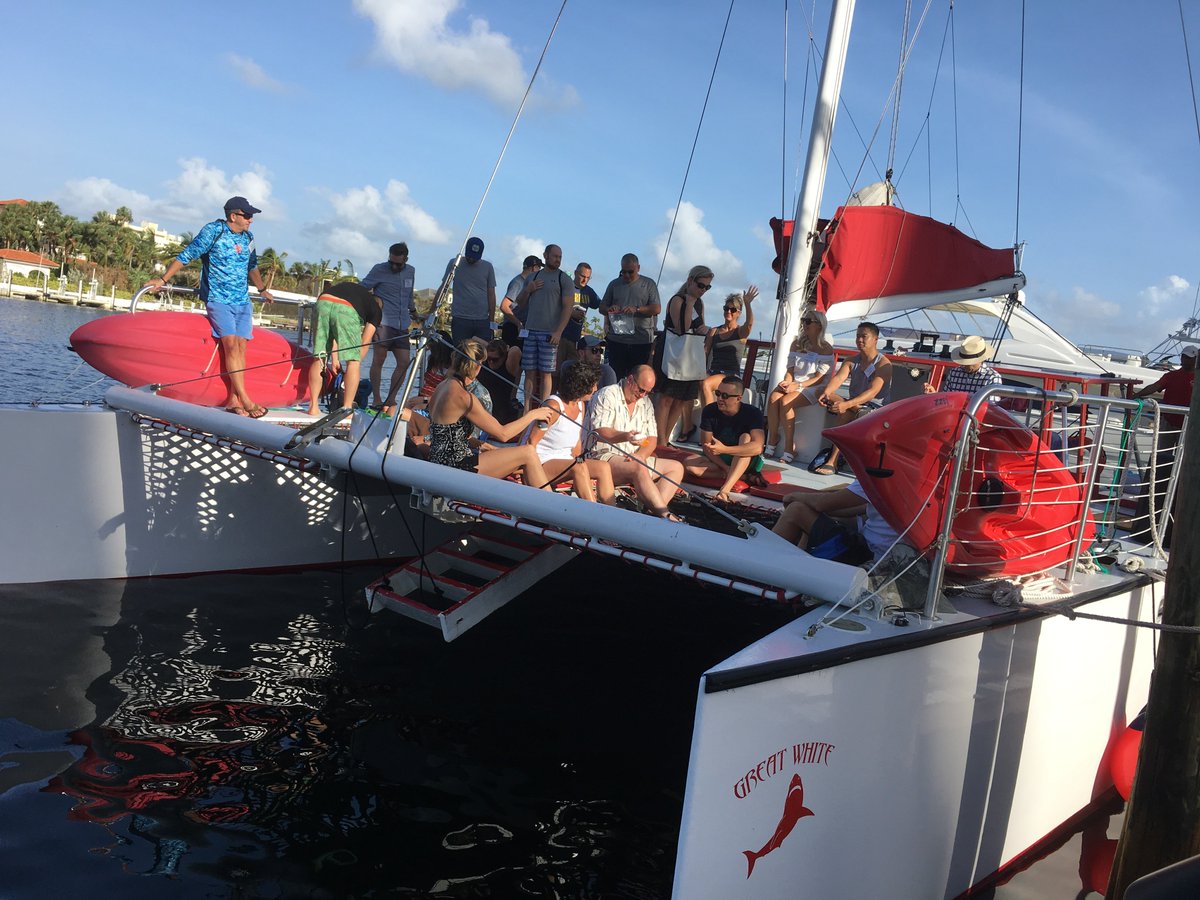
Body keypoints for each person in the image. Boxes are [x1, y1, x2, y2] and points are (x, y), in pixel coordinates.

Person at [145, 196, 274, 417]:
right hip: (218, 298)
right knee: (231, 345)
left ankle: (234, 400)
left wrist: (262, 289)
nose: (251, 220)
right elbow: (187, 255)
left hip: (242, 301)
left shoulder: (248, 238)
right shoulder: (214, 231)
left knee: (242, 347)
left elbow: (252, 266)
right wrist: (163, 280)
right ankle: (246, 399)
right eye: (247, 216)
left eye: (252, 216)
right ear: (233, 216)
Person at [426, 339, 554, 483]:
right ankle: (551, 503)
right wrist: (533, 414)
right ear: (477, 365)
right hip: (456, 466)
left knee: (512, 457)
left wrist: (480, 444)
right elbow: (503, 434)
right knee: (528, 452)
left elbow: (444, 431)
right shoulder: (464, 397)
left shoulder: (442, 386)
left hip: (437, 459)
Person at [586, 365, 687, 521]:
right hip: (602, 456)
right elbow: (601, 432)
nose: (643, 395)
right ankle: (665, 515)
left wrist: (641, 455)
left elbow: (652, 439)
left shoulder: (645, 402)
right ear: (630, 380)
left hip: (631, 458)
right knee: (638, 467)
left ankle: (651, 515)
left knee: (676, 468)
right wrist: (626, 436)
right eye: (641, 390)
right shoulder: (607, 394)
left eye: (648, 392)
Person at [526, 361, 616, 504]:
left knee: (603, 467)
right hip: (541, 463)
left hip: (567, 462)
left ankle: (613, 514)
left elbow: (576, 446)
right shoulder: (554, 406)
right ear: (581, 386)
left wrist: (582, 461)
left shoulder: (580, 405)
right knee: (578, 467)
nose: (596, 388)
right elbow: (530, 443)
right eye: (593, 385)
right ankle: (595, 515)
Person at [815, 322, 893, 475]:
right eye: (857, 336)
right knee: (820, 391)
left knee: (845, 412)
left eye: (864, 336)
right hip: (855, 405)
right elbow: (838, 379)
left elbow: (872, 392)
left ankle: (832, 461)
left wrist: (847, 404)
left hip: (874, 409)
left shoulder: (884, 364)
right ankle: (833, 462)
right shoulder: (851, 361)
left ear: (875, 339)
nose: (859, 340)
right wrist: (826, 393)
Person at [683, 374, 768, 502]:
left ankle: (725, 490)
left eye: (725, 396)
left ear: (738, 398)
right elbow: (707, 447)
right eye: (718, 393)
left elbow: (757, 448)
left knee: (745, 437)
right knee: (689, 466)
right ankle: (742, 476)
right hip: (721, 458)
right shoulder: (709, 411)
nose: (719, 399)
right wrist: (725, 466)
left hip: (746, 458)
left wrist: (724, 450)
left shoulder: (753, 413)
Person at [764, 309, 834, 463]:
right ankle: (773, 437)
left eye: (808, 321)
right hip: (795, 383)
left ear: (819, 325)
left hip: (814, 387)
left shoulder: (826, 349)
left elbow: (818, 379)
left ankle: (790, 447)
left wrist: (798, 385)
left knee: (785, 401)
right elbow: (790, 371)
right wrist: (788, 382)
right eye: (803, 320)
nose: (804, 324)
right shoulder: (796, 344)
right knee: (774, 397)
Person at [655, 265, 713, 446]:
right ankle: (661, 440)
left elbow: (697, 327)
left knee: (680, 400)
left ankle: (666, 437)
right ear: (690, 281)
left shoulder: (699, 303)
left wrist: (705, 329)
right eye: (701, 285)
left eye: (707, 287)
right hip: (673, 354)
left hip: (688, 357)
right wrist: (689, 303)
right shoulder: (677, 300)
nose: (703, 290)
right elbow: (682, 328)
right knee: (666, 398)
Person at [305, 281, 381, 416]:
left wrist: (335, 359)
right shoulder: (376, 310)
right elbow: (364, 343)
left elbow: (334, 333)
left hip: (323, 301)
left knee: (320, 357)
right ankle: (346, 409)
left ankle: (313, 407)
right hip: (346, 309)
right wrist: (352, 367)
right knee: (353, 362)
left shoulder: (355, 291)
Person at [515, 244, 574, 412]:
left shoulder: (564, 279)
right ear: (546, 256)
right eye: (555, 256)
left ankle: (543, 409)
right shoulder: (533, 277)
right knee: (529, 371)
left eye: (560, 257)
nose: (558, 260)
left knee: (546, 372)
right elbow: (519, 302)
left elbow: (568, 308)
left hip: (550, 333)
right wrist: (528, 290)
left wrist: (558, 332)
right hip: (531, 330)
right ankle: (526, 409)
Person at [361, 242, 417, 410]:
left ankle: (391, 399)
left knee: (404, 361)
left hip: (402, 323)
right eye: (391, 261)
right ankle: (377, 399)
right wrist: (373, 303)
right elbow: (362, 287)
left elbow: (409, 295)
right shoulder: (379, 269)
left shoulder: (411, 271)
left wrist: (414, 311)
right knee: (379, 359)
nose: (393, 266)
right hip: (383, 321)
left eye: (398, 263)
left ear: (406, 259)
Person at [600, 253, 661, 379]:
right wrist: (610, 309)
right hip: (617, 341)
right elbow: (602, 307)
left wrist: (637, 309)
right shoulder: (614, 284)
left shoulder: (649, 284)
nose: (627, 275)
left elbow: (657, 308)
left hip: (641, 342)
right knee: (615, 378)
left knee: (637, 379)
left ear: (638, 268)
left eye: (630, 272)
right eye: (624, 272)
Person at [445, 236, 497, 345]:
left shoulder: (488, 267)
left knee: (482, 354)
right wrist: (432, 311)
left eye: (475, 257)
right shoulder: (454, 264)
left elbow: (491, 294)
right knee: (460, 352)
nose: (471, 259)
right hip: (460, 319)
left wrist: (491, 321)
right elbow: (443, 287)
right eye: (470, 256)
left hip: (482, 320)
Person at [558, 262, 602, 372]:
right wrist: (571, 313)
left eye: (588, 277)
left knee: (572, 373)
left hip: (575, 339)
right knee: (555, 373)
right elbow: (553, 307)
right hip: (560, 337)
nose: (584, 280)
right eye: (582, 276)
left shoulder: (589, 291)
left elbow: (600, 305)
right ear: (575, 273)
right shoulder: (565, 287)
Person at [923, 335, 1003, 396]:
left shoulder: (992, 377)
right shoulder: (954, 372)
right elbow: (946, 399)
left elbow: (991, 408)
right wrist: (934, 395)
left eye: (970, 362)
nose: (966, 365)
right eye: (964, 362)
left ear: (981, 360)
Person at [477, 338, 524, 426]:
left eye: (495, 359)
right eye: (488, 358)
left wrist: (505, 349)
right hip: (483, 411)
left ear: (504, 357)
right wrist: (489, 347)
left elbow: (515, 350)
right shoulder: (484, 363)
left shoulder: (509, 367)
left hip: (503, 414)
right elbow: (473, 339)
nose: (491, 362)